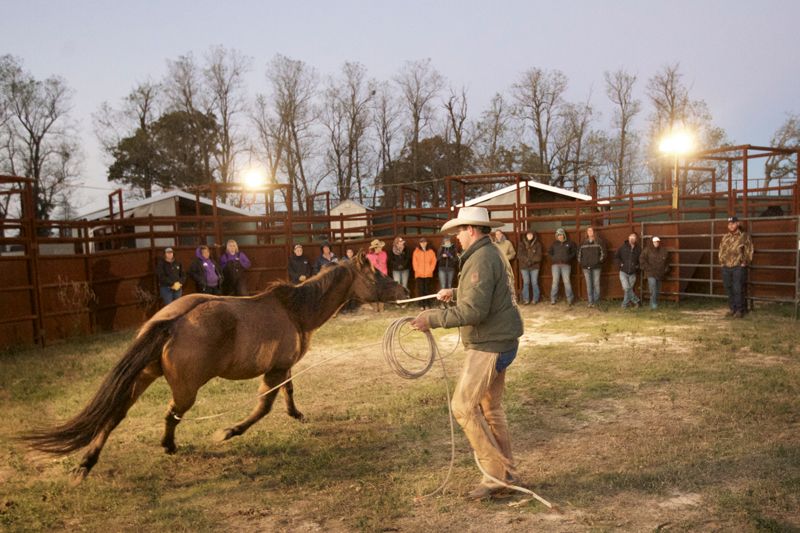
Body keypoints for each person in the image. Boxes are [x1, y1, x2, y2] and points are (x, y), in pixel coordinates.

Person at [410, 206, 524, 501]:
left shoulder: (480, 259)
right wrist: (458, 293)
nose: (456, 237)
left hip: (489, 345)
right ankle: (507, 472)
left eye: (459, 231)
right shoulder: (491, 253)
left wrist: (431, 319)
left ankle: (495, 474)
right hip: (502, 340)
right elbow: (486, 295)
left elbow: (475, 311)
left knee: (462, 407)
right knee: (491, 408)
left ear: (471, 230)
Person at [718, 216, 753, 318]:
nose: (731, 225)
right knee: (728, 287)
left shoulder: (744, 236)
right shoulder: (725, 237)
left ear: (737, 224)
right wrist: (721, 262)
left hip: (738, 266)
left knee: (738, 288)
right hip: (726, 266)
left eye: (733, 223)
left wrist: (745, 262)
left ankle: (740, 310)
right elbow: (721, 250)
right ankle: (732, 309)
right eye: (729, 224)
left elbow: (749, 249)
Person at [577, 227, 606, 307]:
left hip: (596, 267)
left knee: (596, 284)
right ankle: (590, 302)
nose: (590, 232)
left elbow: (604, 253)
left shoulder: (599, 241)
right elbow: (579, 254)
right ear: (586, 232)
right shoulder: (582, 242)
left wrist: (598, 261)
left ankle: (596, 302)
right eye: (588, 230)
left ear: (594, 232)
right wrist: (582, 263)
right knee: (588, 285)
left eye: (591, 230)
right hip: (586, 268)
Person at [640, 236, 670, 310]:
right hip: (651, 273)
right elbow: (642, 259)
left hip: (660, 273)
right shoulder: (647, 250)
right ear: (652, 242)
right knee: (653, 288)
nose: (656, 243)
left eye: (657, 242)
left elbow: (667, 261)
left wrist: (666, 269)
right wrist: (647, 268)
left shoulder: (663, 250)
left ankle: (654, 303)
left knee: (657, 289)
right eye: (654, 242)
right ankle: (653, 304)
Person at [548, 228, 577, 305]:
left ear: (564, 235)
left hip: (566, 265)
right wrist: (553, 258)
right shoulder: (554, 244)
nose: (560, 236)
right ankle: (553, 299)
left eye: (561, 234)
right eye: (558, 235)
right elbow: (549, 252)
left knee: (567, 282)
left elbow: (574, 252)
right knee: (555, 282)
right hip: (555, 266)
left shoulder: (570, 243)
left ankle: (570, 299)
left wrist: (568, 258)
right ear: (556, 236)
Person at [615, 232, 642, 309]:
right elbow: (616, 257)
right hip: (623, 272)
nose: (632, 238)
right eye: (631, 236)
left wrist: (637, 266)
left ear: (636, 239)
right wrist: (620, 264)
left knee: (628, 290)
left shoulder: (639, 249)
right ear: (628, 237)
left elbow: (641, 260)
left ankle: (624, 305)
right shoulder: (622, 247)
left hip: (633, 273)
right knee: (626, 288)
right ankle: (637, 301)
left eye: (634, 237)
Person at [517, 229, 542, 305]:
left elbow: (539, 256)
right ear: (526, 235)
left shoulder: (538, 244)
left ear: (533, 236)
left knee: (534, 282)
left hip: (534, 267)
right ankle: (526, 299)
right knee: (526, 282)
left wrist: (532, 261)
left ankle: (535, 299)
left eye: (531, 235)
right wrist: (527, 261)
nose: (529, 236)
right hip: (524, 267)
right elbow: (519, 255)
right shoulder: (521, 244)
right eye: (528, 234)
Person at [412, 236, 437, 309]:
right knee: (420, 290)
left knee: (427, 289)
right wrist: (417, 270)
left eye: (424, 242)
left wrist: (431, 269)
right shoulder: (416, 251)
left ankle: (427, 304)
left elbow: (434, 261)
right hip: (419, 274)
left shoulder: (431, 251)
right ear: (419, 243)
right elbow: (414, 262)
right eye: (421, 242)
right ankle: (421, 305)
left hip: (428, 274)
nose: (423, 244)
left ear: (426, 243)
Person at [367, 239, 388, 312]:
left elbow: (382, 262)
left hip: (383, 275)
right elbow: (371, 267)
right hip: (374, 276)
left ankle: (381, 308)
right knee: (374, 292)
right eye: (379, 247)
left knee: (382, 292)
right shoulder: (369, 256)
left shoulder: (384, 254)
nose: (381, 248)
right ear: (375, 248)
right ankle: (375, 308)